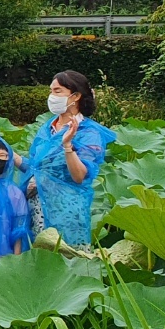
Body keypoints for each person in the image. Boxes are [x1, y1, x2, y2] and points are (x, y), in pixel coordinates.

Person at [22, 70, 116, 246]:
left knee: (66, 255)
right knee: (41, 255)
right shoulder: (47, 128)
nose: (52, 96)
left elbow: (79, 176)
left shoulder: (89, 133)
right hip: (38, 205)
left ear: (76, 96)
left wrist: (67, 146)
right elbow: (35, 167)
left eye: (57, 91)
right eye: (51, 91)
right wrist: (7, 155)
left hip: (67, 207)